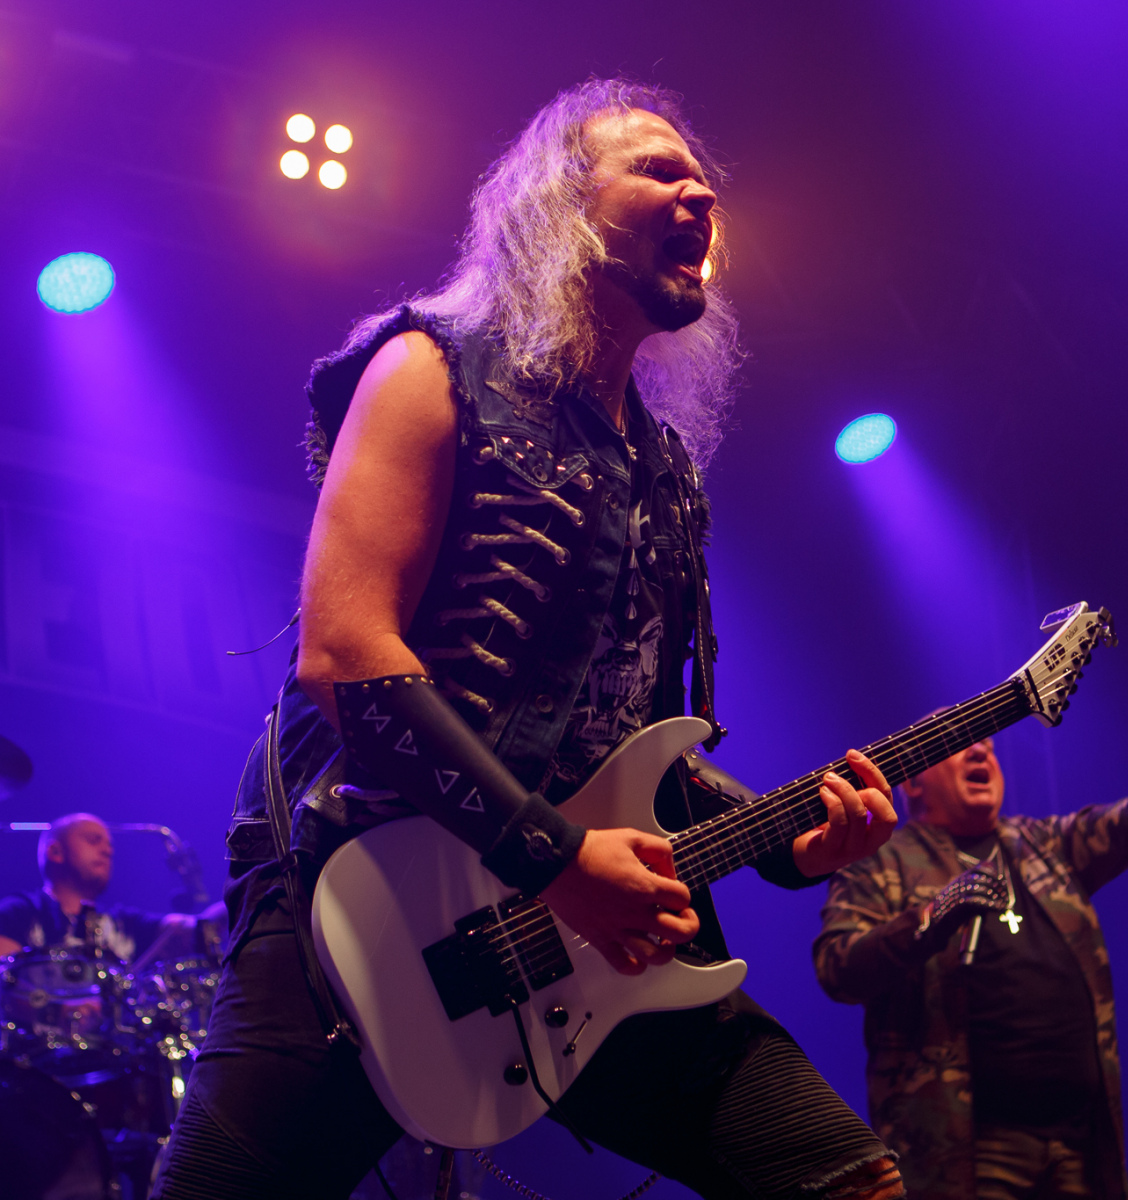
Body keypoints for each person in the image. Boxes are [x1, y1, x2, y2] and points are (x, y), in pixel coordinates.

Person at [152, 78, 904, 1200]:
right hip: (371, 901)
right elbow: (346, 657)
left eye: (704, 178)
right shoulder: (430, 368)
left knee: (846, 1182)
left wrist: (784, 842)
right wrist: (556, 859)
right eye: (657, 169)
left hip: (574, 942)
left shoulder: (662, 471)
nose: (700, 192)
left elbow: (627, 742)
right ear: (560, 208)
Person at [814, 680, 1128, 1199]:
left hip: (1080, 1144)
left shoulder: (1044, 844)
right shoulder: (881, 861)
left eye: (987, 744)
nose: (980, 751)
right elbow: (837, 967)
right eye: (959, 743)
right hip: (967, 1154)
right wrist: (936, 913)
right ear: (912, 782)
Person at [0, 813, 197, 964]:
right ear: (55, 851)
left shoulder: (123, 921)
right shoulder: (17, 913)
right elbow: (8, 985)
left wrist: (214, 916)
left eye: (110, 846)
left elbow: (185, 929)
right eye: (94, 841)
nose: (107, 851)